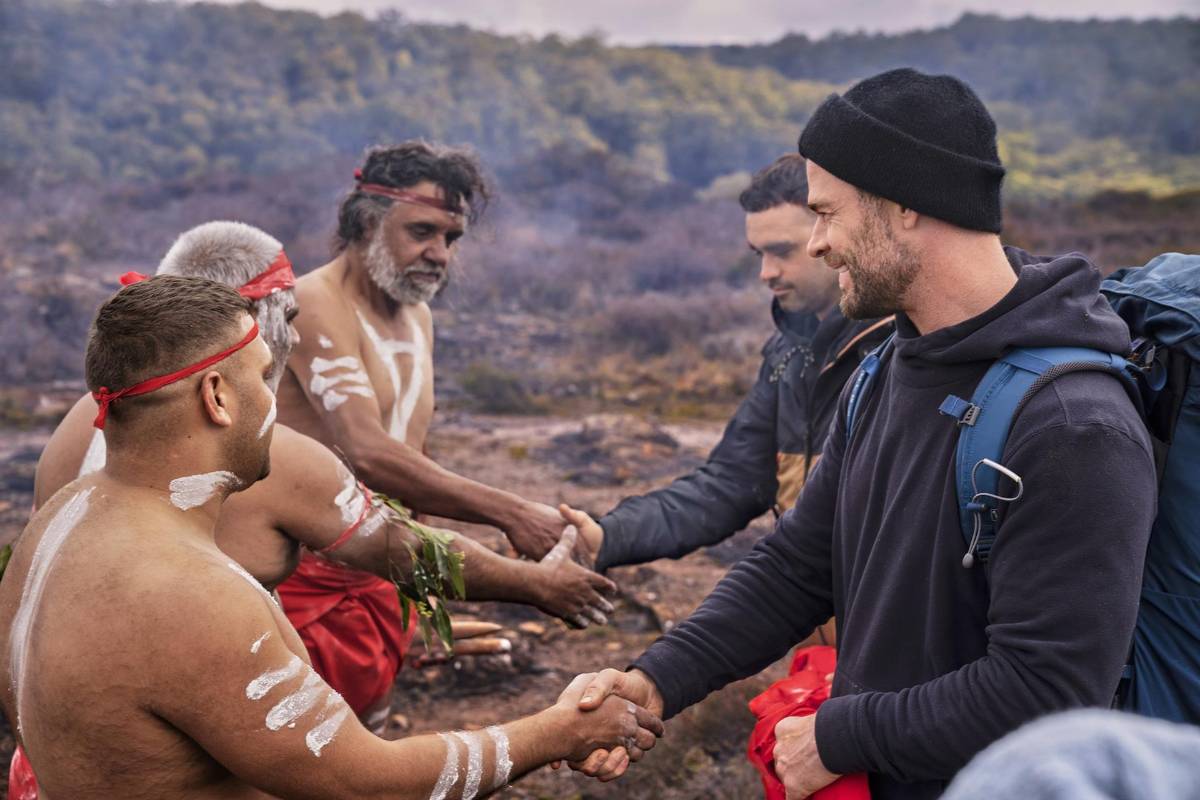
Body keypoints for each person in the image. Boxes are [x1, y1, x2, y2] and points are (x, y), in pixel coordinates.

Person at [568, 68, 1157, 797]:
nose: (815, 244)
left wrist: (840, 734)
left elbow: (1049, 692)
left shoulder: (1074, 426)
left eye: (826, 213)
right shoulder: (887, 369)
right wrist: (654, 681)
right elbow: (797, 568)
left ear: (905, 204)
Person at [1, 275, 661, 799]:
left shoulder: (54, 525)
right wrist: (556, 733)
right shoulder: (191, 594)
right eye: (264, 376)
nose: (274, 398)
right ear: (217, 397)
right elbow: (363, 785)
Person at [567, 156, 891, 647]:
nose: (766, 273)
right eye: (758, 253)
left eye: (782, 251)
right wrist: (608, 536)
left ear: (834, 231)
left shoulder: (904, 351)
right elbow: (731, 482)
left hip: (911, 661)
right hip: (841, 649)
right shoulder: (791, 352)